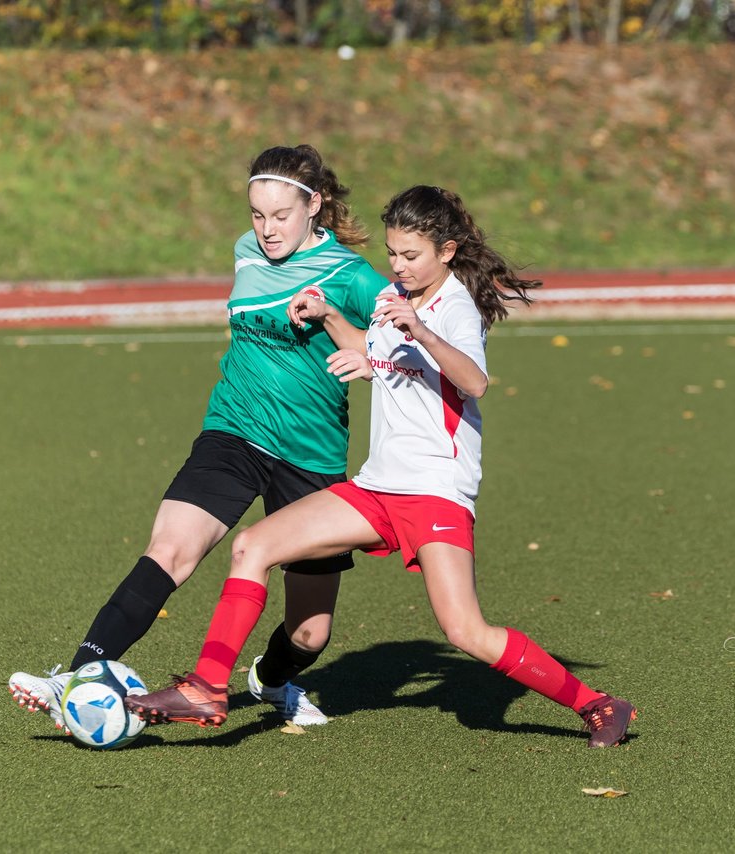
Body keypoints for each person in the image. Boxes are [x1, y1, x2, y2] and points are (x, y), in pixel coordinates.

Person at [127, 185, 637, 748]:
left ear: (446, 251)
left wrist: (418, 328)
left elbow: (474, 382)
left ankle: (598, 703)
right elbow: (380, 353)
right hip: (377, 487)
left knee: (465, 630)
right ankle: (206, 686)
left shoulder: (453, 307)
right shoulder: (396, 294)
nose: (398, 266)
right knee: (253, 546)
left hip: (435, 492)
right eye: (392, 253)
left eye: (410, 256)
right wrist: (329, 319)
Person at [9, 145, 389, 732]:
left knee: (311, 631)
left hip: (312, 457)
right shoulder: (246, 252)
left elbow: (401, 343)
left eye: (281, 216)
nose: (265, 231)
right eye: (256, 215)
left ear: (314, 204)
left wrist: (359, 348)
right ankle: (79, 673)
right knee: (170, 549)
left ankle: (276, 679)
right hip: (233, 433)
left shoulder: (353, 276)